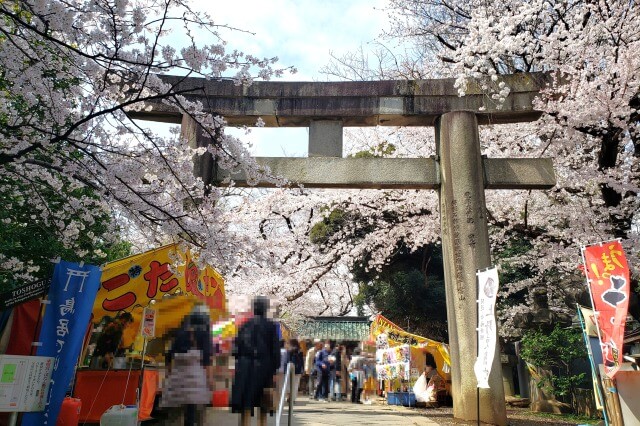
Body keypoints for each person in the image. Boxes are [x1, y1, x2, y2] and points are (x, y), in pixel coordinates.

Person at [230, 296, 280, 426]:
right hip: (264, 367)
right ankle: (261, 424)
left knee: (245, 401)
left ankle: (244, 424)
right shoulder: (271, 326)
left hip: (245, 367)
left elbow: (235, 350)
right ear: (266, 308)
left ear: (253, 308)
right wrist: (275, 370)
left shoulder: (244, 325)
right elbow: (275, 351)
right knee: (263, 400)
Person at [161, 305, 214, 425]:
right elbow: (207, 360)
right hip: (196, 380)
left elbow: (169, 355)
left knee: (175, 412)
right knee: (194, 413)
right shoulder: (205, 334)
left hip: (177, 380)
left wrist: (168, 373)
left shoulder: (180, 334)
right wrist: (210, 378)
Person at [284, 338, 304, 404]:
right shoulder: (300, 351)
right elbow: (302, 362)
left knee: (288, 384)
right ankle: (292, 398)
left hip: (290, 370)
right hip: (297, 370)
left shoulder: (289, 351)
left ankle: (288, 397)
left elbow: (287, 361)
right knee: (295, 385)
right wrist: (302, 370)